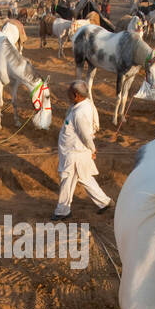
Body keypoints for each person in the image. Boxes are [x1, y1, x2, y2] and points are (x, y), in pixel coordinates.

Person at [52, 80, 112, 219]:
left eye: (69, 92)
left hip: (75, 153)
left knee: (67, 180)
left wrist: (92, 149)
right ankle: (105, 202)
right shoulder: (85, 104)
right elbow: (95, 124)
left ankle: (62, 211)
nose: (66, 93)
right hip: (77, 151)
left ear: (76, 94)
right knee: (85, 178)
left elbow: (85, 134)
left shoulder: (79, 113)